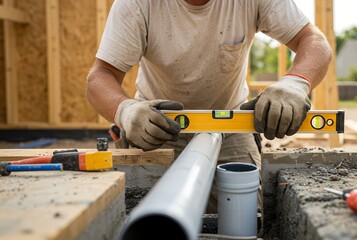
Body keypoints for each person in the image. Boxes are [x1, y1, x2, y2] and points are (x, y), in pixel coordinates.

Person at [86, 0, 332, 213]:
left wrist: (295, 83)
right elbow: (100, 76)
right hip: (156, 127)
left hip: (231, 127)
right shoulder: (137, 4)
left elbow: (313, 41)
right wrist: (126, 111)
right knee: (145, 213)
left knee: (244, 214)